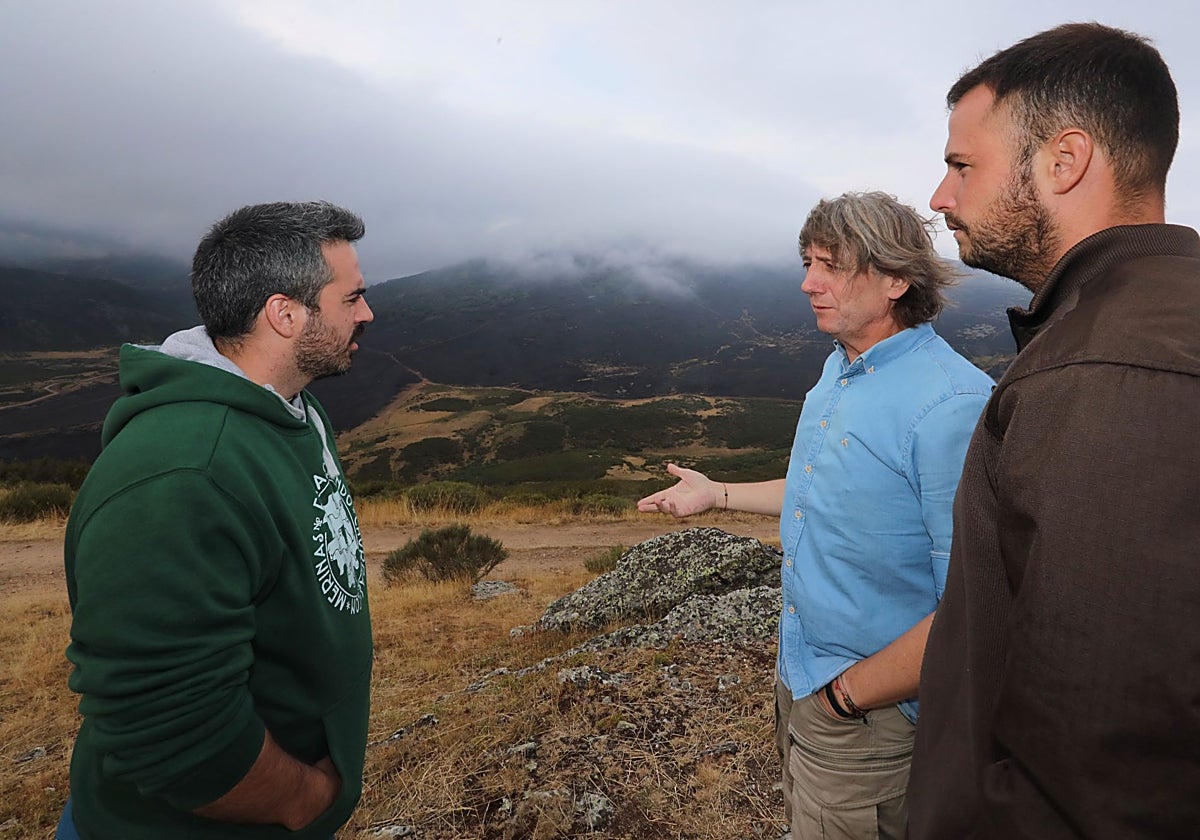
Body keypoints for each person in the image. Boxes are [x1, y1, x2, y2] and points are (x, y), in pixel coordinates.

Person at [908, 23, 1200, 839]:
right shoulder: (1148, 332)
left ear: (1063, 162)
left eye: (963, 165)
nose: (939, 196)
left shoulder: (1107, 370)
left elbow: (1099, 768)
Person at [638, 191, 993, 839]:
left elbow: (974, 608)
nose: (808, 283)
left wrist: (844, 698)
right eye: (808, 262)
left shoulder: (951, 406)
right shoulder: (840, 371)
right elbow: (820, 491)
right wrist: (716, 494)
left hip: (873, 712)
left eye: (831, 266)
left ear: (896, 279)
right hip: (802, 675)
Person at [58, 201, 375, 839]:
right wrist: (304, 799)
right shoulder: (183, 475)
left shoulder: (292, 410)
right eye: (352, 298)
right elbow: (170, 724)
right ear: (285, 314)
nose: (367, 313)